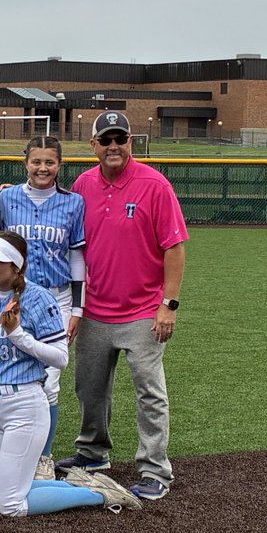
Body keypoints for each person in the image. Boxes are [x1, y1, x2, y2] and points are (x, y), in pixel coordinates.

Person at [55, 111, 188, 502]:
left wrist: (168, 304)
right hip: (95, 308)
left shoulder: (154, 184)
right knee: (90, 388)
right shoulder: (83, 184)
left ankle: (155, 468)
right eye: (106, 140)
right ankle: (93, 453)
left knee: (150, 391)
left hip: (143, 310)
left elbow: (174, 248)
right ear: (93, 145)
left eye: (120, 139)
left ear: (131, 142)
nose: (113, 146)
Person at [0, 232, 142, 516]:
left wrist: (17, 335)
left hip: (22, 406)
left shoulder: (39, 298)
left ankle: (99, 494)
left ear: (16, 265)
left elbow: (60, 358)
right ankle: (81, 483)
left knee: (10, 506)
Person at [0, 135, 86, 479]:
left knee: (49, 382)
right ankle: (5, 451)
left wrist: (77, 309)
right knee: (11, 371)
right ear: (26, 163)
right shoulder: (6, 197)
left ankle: (43, 457)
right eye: (36, 161)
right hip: (16, 295)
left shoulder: (73, 202)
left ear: (59, 165)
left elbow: (76, 257)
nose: (42, 168)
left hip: (56, 296)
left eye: (50, 162)